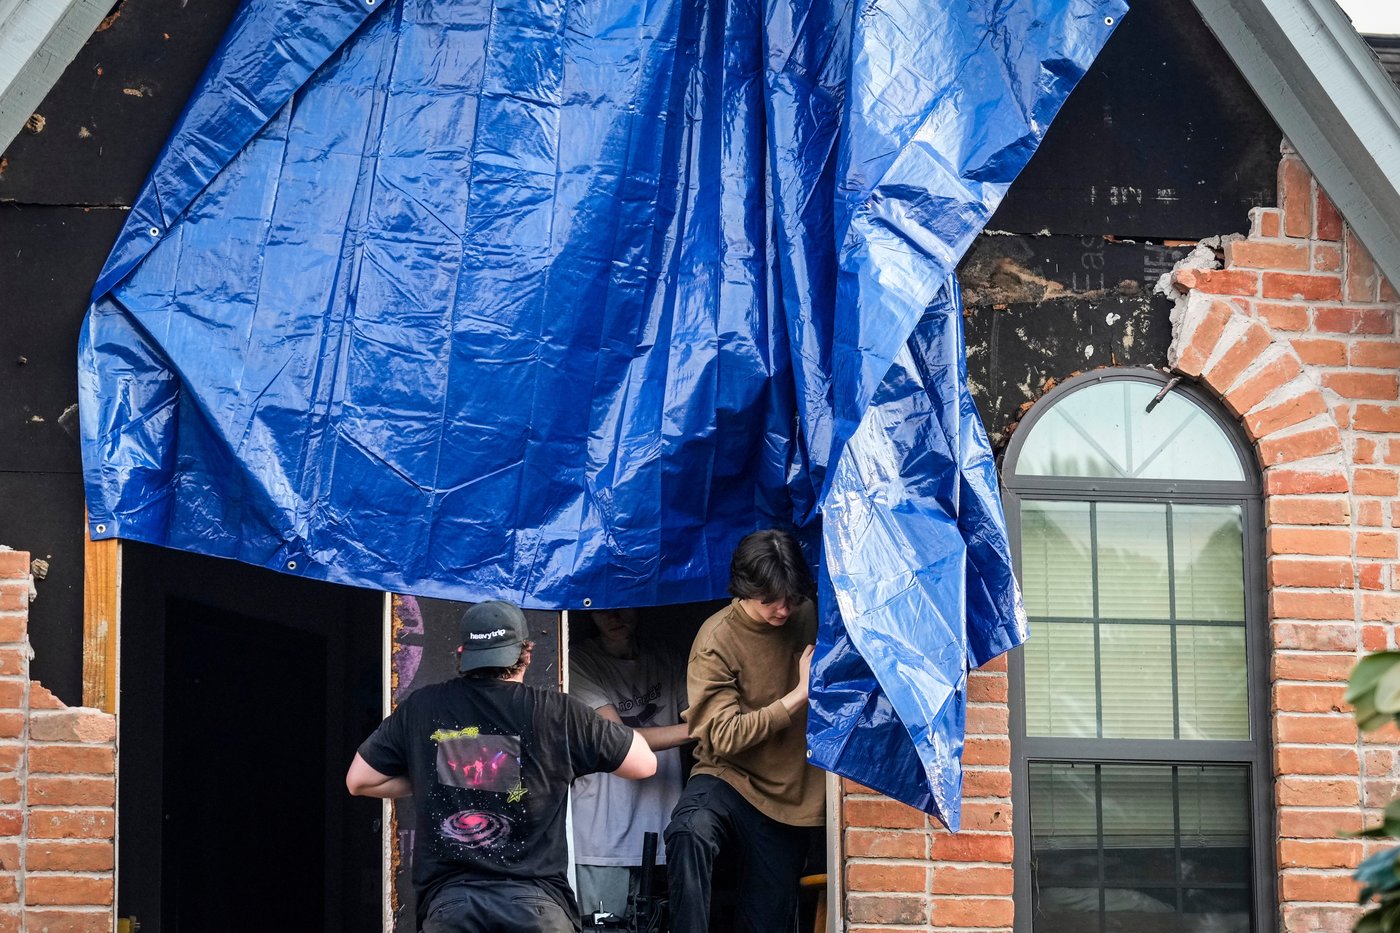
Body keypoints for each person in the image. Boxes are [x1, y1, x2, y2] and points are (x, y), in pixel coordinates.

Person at [347, 600, 657, 933]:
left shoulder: (423, 707)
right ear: (527, 652)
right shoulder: (557, 713)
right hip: (538, 909)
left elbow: (359, 780)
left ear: (463, 653)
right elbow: (644, 764)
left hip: (451, 909)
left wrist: (427, 776)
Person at [663, 529, 824, 933]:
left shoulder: (814, 614)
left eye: (791, 597)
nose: (783, 610)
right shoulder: (716, 639)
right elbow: (723, 736)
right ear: (744, 588)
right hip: (728, 774)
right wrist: (798, 696)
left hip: (792, 797)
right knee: (689, 830)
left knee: (766, 920)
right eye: (770, 599)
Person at [569, 607, 690, 920]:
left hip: (663, 830)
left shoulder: (664, 657)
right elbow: (617, 738)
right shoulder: (577, 660)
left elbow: (700, 712)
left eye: (621, 606)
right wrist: (699, 730)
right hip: (603, 839)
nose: (613, 616)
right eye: (601, 609)